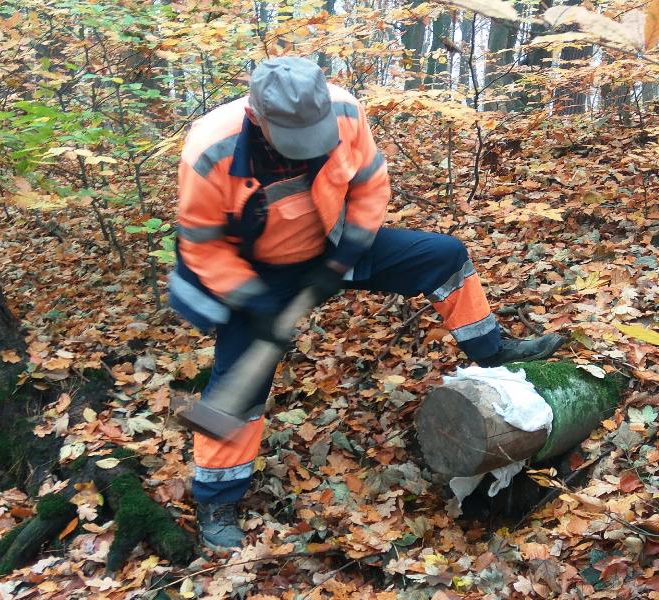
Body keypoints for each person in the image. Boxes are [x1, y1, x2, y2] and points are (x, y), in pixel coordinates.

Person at [167, 56, 565, 549]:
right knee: (236, 388)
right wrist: (255, 302)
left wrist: (343, 258)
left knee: (444, 258)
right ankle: (217, 496)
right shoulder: (211, 148)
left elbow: (370, 186)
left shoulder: (345, 111)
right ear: (257, 117)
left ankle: (494, 351)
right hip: (256, 273)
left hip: (334, 246)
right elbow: (203, 247)